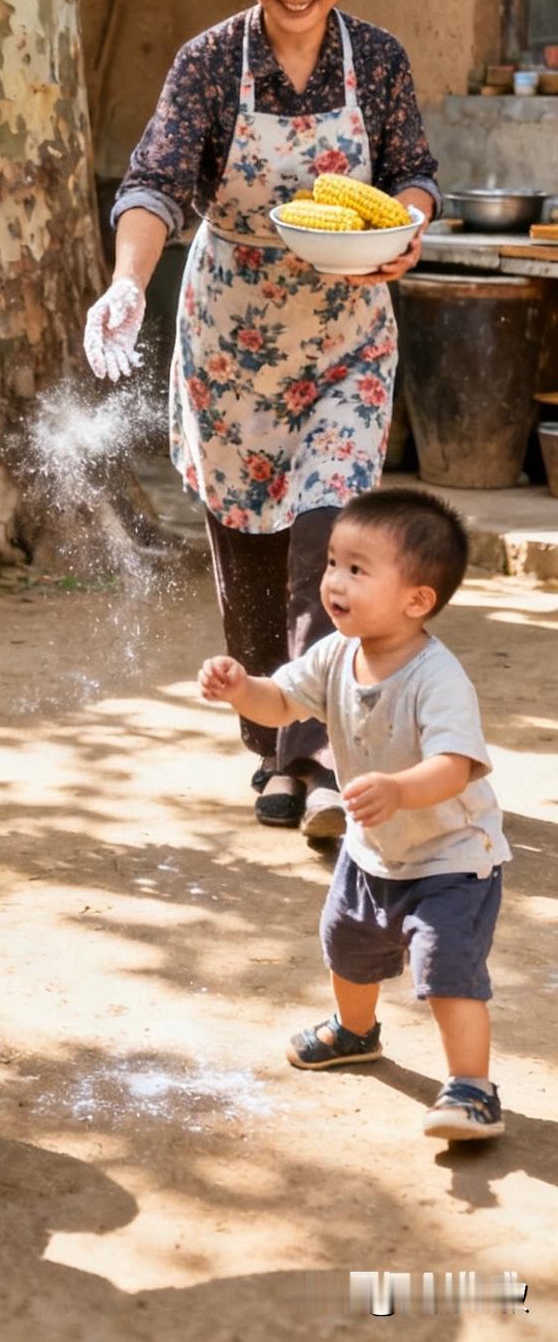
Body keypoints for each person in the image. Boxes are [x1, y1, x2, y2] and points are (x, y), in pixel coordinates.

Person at [85, 0, 439, 843]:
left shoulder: (376, 60)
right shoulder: (207, 62)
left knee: (329, 541)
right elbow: (153, 184)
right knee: (245, 560)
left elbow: (411, 171)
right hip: (229, 338)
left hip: (345, 333)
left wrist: (403, 228)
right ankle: (269, 748)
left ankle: (319, 763)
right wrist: (124, 281)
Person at [199, 487, 509, 1142]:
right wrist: (240, 689)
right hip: (373, 851)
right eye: (333, 562)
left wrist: (398, 788)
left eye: (357, 569)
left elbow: (455, 765)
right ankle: (354, 1030)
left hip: (452, 858)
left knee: (447, 969)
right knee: (347, 943)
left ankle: (473, 1087)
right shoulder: (337, 652)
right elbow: (281, 702)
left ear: (416, 600)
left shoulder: (437, 676)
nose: (333, 580)